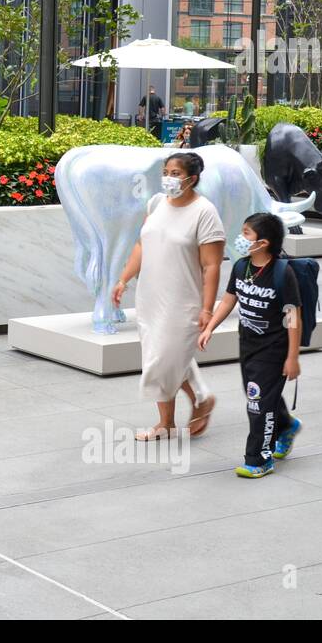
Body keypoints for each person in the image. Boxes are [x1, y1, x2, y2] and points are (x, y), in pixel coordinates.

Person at [112, 151, 227, 441]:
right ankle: (168, 421)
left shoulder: (205, 212)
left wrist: (207, 308)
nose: (169, 178)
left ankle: (200, 399)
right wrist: (123, 279)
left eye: (175, 173)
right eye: (166, 171)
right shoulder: (156, 203)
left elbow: (211, 265)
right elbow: (141, 244)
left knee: (164, 358)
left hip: (183, 299)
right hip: (150, 296)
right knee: (159, 355)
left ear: (193, 178)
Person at [199, 212, 304, 478]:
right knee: (258, 396)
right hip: (248, 344)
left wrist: (293, 357)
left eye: (246, 233)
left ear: (264, 242)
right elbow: (228, 300)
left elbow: (293, 318)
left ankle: (259, 458)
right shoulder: (241, 266)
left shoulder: (283, 273)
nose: (241, 237)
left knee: (257, 403)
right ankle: (287, 425)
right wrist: (210, 326)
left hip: (274, 348)